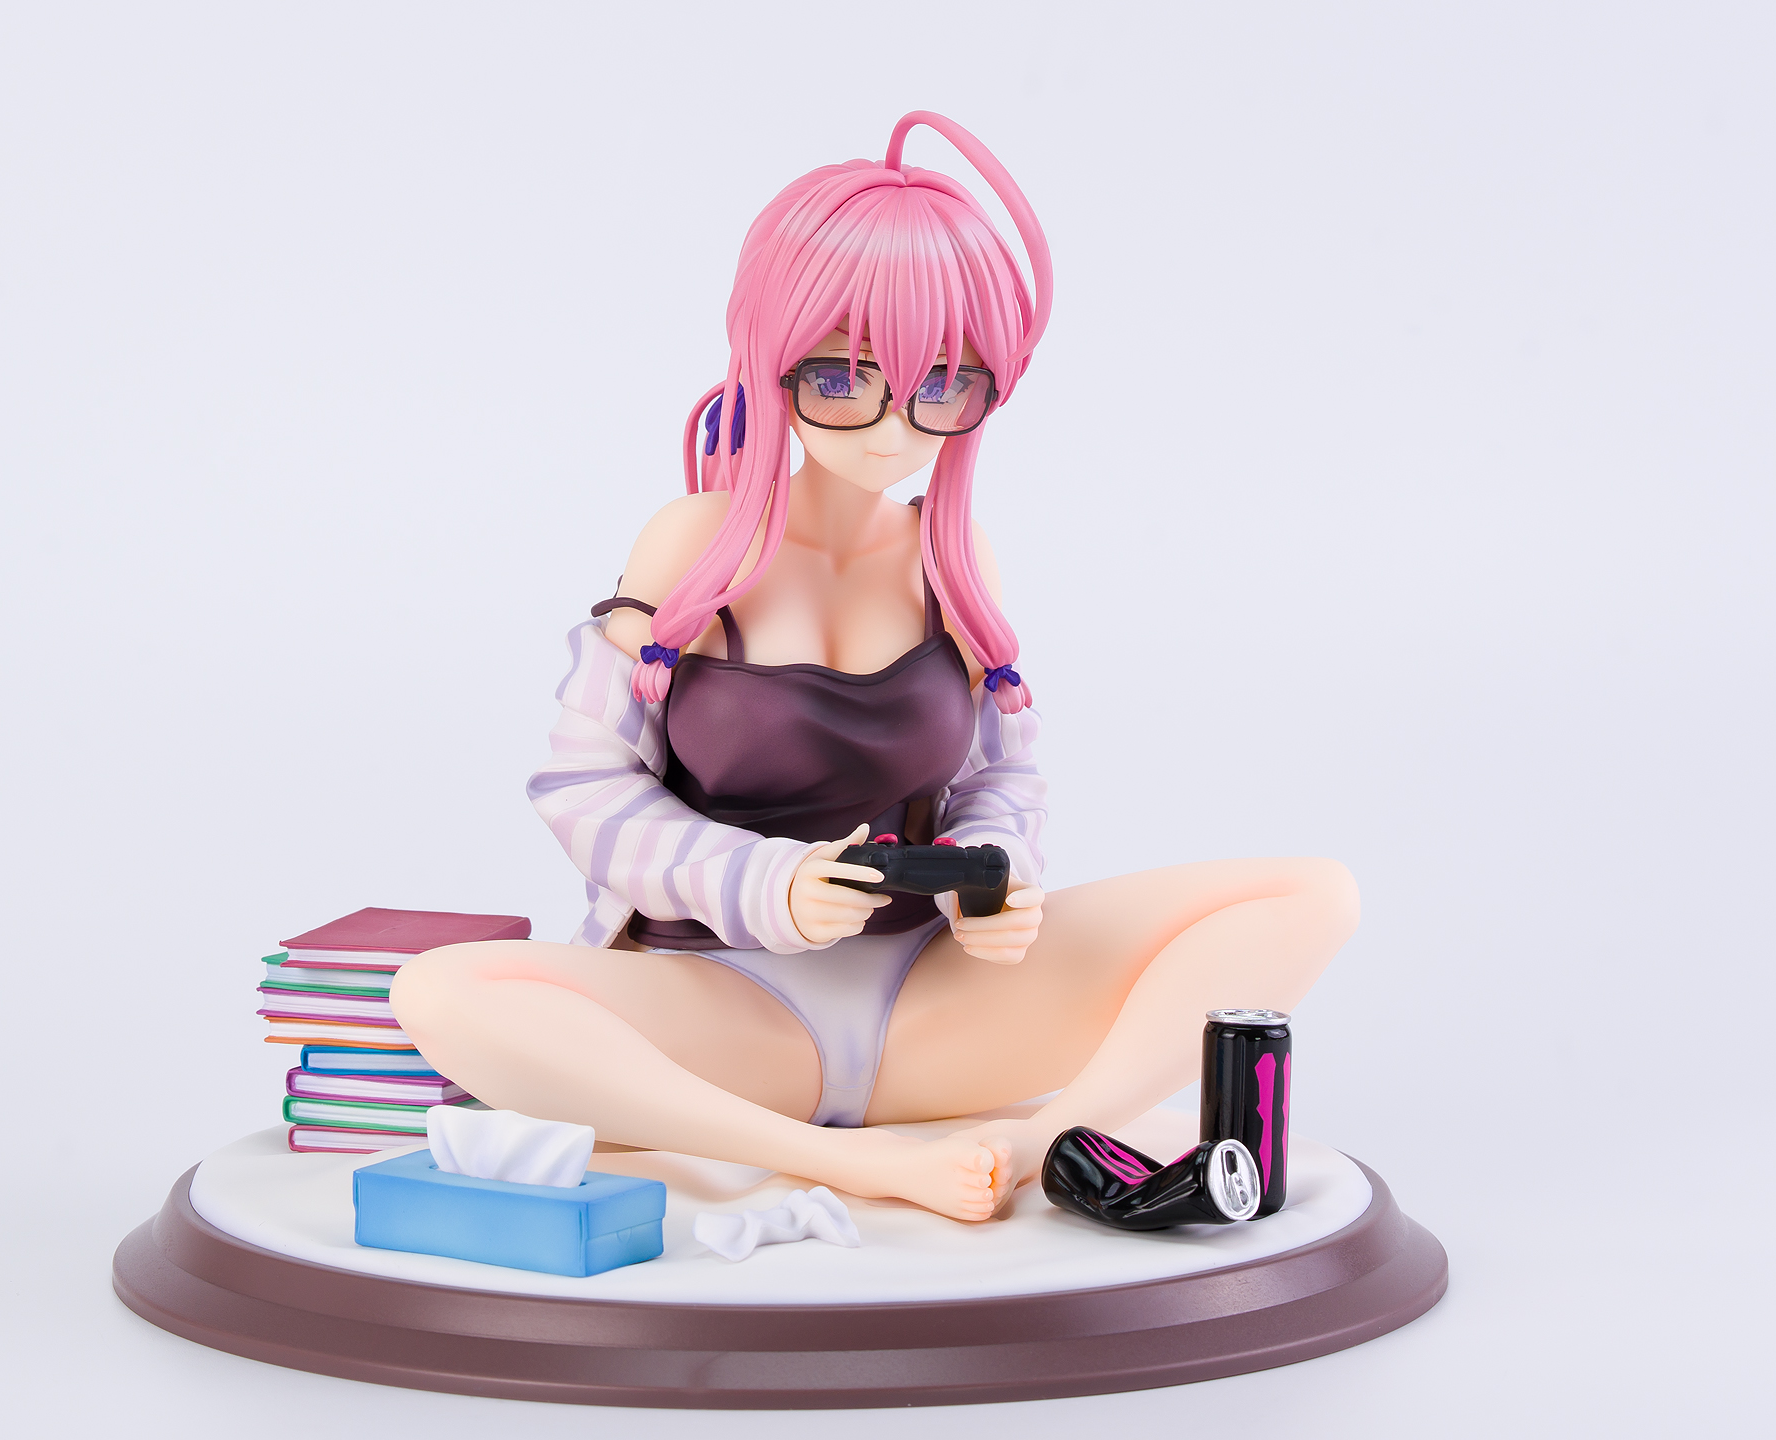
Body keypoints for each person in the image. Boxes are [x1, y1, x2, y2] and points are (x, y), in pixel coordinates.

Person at [390, 113, 1357, 1223]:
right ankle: (851, 1165)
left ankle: (1046, 1141)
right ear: (772, 358)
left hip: (937, 1009)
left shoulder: (955, 561)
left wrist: (998, 876)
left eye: (944, 384)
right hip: (723, 1006)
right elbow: (585, 789)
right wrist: (768, 885)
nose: (896, 430)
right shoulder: (691, 546)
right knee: (442, 992)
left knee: (1307, 897)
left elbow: (1002, 775)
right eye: (846, 377)